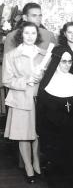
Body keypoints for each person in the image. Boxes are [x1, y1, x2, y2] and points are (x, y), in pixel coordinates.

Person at [36, 47, 73, 188]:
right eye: (63, 61)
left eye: (69, 62)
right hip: (56, 135)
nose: (67, 65)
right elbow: (44, 113)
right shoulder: (47, 84)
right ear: (56, 62)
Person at [3, 22, 45, 183]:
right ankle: (28, 168)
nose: (30, 36)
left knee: (37, 134)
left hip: (39, 99)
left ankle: (36, 164)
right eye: (26, 33)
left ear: (37, 35)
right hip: (20, 99)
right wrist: (26, 80)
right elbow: (6, 80)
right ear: (21, 35)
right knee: (24, 135)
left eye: (33, 33)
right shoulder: (12, 55)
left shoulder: (42, 54)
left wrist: (42, 78)